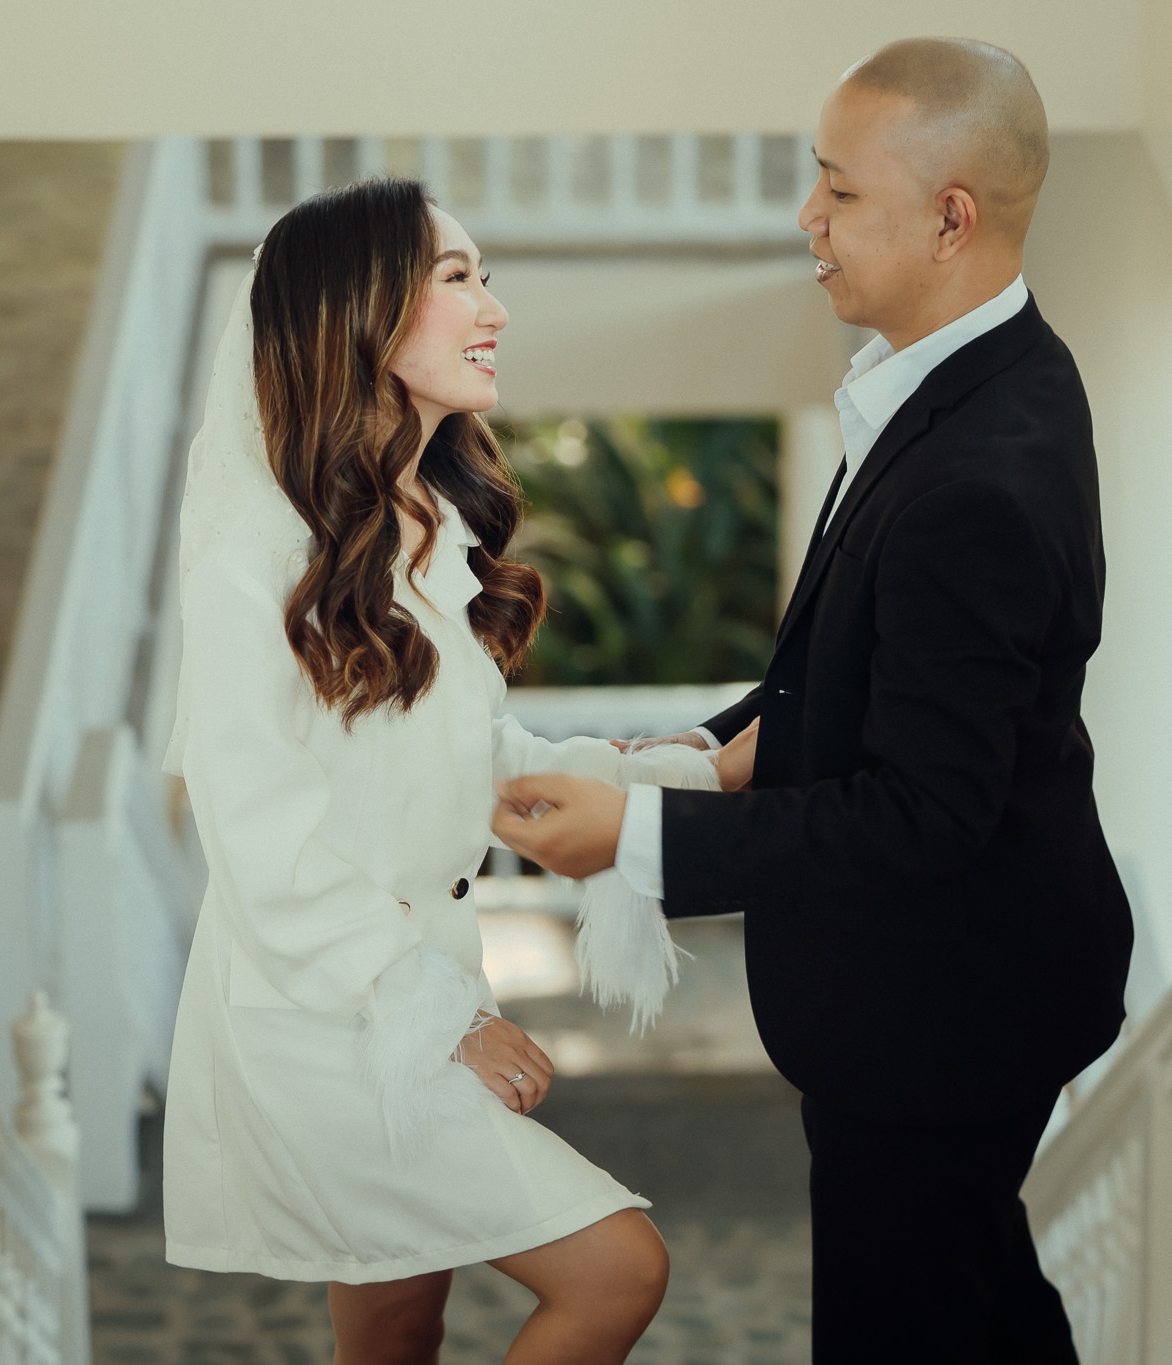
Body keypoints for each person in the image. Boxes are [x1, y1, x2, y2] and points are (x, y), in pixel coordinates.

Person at [492, 38, 1134, 1361]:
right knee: (984, 1301)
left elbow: (922, 813)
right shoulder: (978, 371)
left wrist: (635, 837)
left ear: (950, 218)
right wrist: (708, 747)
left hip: (948, 1007)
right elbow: (856, 664)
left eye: (839, 190)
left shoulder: (980, 476)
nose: (807, 218)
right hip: (961, 978)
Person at [160, 177, 702, 1364]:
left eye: (482, 277)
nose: (493, 308)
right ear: (357, 312)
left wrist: (667, 776)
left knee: (399, 1326)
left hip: (414, 991)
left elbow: (474, 760)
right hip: (325, 1015)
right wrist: (440, 1016)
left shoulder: (424, 525)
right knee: (617, 1270)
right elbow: (258, 842)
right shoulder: (254, 560)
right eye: (457, 278)